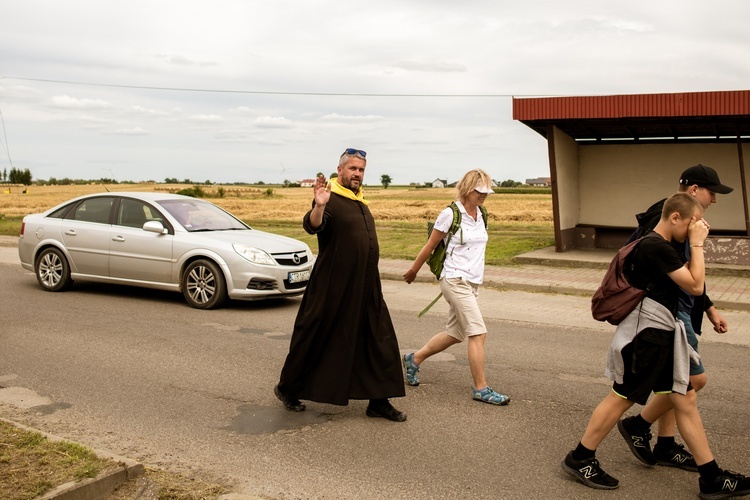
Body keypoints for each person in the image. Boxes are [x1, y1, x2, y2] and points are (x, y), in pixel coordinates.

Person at [562, 193, 750, 498]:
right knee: (620, 397)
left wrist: (709, 304)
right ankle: (580, 458)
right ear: (675, 217)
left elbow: (693, 285)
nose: (693, 231)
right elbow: (695, 284)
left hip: (662, 335)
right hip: (645, 338)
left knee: (685, 399)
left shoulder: (663, 246)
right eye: (690, 224)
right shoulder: (654, 246)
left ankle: (711, 477)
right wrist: (699, 244)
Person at [274, 148, 407, 422]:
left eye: (361, 170)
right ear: (340, 169)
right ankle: (288, 388)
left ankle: (379, 401)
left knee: (378, 339)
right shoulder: (330, 198)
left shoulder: (360, 201)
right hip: (333, 288)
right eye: (353, 169)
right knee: (314, 336)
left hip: (366, 287)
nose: (357, 174)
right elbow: (313, 226)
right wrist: (319, 206)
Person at [619, 164, 732, 471]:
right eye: (712, 192)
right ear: (693, 189)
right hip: (671, 311)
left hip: (684, 307)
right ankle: (638, 425)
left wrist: (708, 308)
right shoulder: (668, 217)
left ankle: (665, 444)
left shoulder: (684, 217)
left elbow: (688, 269)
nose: (715, 200)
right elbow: (670, 268)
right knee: (692, 379)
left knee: (674, 381)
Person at [402, 169, 510, 406]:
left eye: (486, 192)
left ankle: (414, 359)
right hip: (453, 280)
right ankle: (480, 388)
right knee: (478, 333)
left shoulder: (481, 213)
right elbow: (430, 246)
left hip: (472, 282)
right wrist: (413, 270)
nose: (484, 196)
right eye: (479, 191)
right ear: (467, 189)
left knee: (456, 334)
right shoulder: (450, 214)